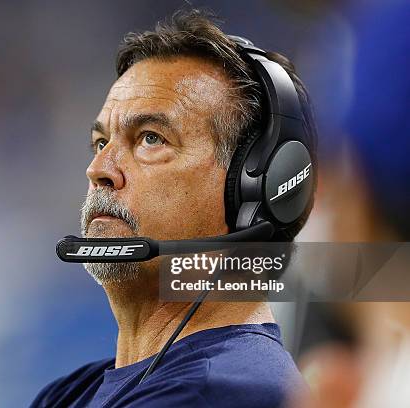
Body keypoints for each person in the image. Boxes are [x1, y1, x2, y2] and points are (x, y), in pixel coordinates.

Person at [31, 9, 316, 408]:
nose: (98, 170)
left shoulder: (228, 391)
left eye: (150, 139)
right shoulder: (71, 392)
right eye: (101, 143)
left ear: (257, 189)